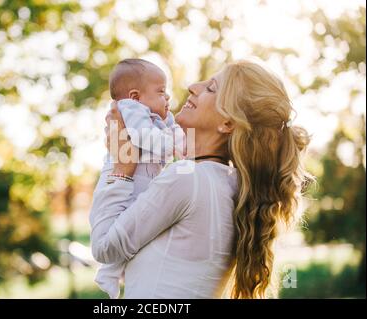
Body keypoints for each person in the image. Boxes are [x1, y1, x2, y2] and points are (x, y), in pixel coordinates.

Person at [90, 59, 312, 298]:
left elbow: (104, 248)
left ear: (227, 123)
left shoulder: (187, 180)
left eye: (211, 88)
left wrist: (121, 167)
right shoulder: (231, 184)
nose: (193, 86)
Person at [92, 58, 185, 299]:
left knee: (126, 228)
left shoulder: (160, 116)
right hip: (121, 178)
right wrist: (171, 146)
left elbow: (177, 134)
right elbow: (143, 136)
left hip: (140, 183)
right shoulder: (130, 109)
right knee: (115, 223)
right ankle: (109, 274)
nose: (167, 98)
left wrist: (181, 142)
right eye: (161, 91)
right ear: (135, 96)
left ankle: (110, 274)